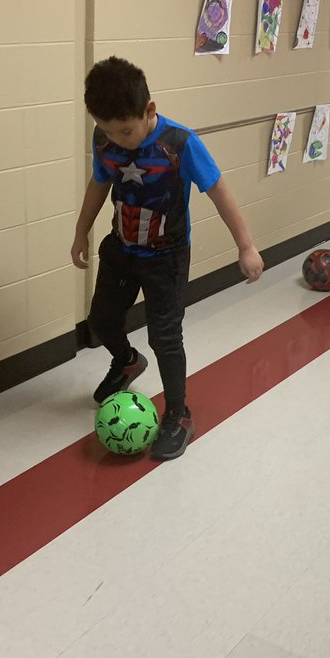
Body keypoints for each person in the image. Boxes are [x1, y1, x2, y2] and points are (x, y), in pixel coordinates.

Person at [72, 57, 264, 461]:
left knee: (164, 335)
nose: (117, 139)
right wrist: (80, 230)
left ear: (149, 111)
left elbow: (219, 191)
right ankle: (126, 363)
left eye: (125, 130)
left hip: (166, 257)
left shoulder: (179, 144)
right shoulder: (103, 138)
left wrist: (245, 246)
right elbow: (99, 181)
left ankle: (179, 414)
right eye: (107, 130)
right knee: (101, 320)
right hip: (121, 247)